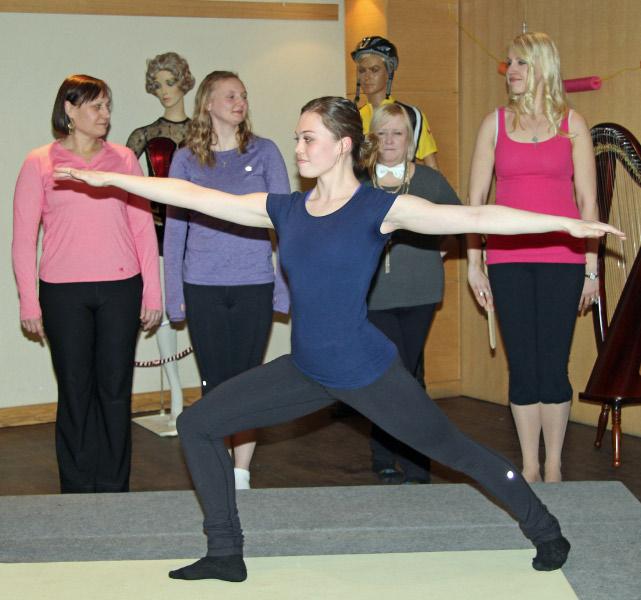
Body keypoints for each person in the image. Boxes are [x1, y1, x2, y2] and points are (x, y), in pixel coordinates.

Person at [56, 95, 624, 581]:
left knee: (455, 451)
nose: (298, 148)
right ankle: (225, 552)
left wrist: (569, 225)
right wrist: (109, 179)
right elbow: (196, 196)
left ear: (344, 145)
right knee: (199, 423)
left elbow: (477, 217)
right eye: (298, 138)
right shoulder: (286, 209)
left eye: (309, 138)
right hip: (306, 368)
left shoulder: (379, 209)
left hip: (367, 371)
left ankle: (545, 529)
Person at [13, 74, 161, 493]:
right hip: (63, 293)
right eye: (96, 106)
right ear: (70, 110)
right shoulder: (39, 162)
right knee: (75, 391)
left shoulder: (124, 160)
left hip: (120, 289)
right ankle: (76, 490)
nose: (106, 115)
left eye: (108, 106)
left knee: (115, 390)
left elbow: (142, 229)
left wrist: (152, 290)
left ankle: (115, 489)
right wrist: (29, 301)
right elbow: (23, 238)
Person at [466, 32, 599, 484]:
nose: (513, 72)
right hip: (507, 259)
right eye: (509, 64)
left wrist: (592, 270)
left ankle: (556, 465)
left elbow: (588, 202)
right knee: (521, 364)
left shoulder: (573, 124)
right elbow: (476, 202)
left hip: (564, 259)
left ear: (543, 66)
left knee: (553, 364)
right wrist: (472, 262)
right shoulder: (494, 124)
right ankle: (529, 464)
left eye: (521, 63)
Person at [163, 71, 290, 490]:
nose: (240, 101)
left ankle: (240, 472)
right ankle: (215, 465)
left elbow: (287, 225)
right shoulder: (185, 160)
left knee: (248, 380)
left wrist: (284, 286)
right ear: (209, 103)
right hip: (202, 285)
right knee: (214, 383)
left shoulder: (266, 152)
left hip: (254, 283)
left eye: (244, 94)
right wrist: (173, 295)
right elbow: (175, 232)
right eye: (231, 95)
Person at [365, 102, 461, 485]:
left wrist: (440, 247)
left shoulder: (429, 180)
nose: (389, 141)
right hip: (373, 295)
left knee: (409, 371)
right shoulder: (357, 180)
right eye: (382, 133)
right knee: (389, 372)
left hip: (420, 290)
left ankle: (412, 456)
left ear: (410, 141)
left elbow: (459, 217)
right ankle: (390, 453)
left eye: (397, 133)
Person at [127, 52, 196, 424]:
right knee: (166, 312)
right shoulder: (143, 135)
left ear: (185, 81)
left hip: (200, 230)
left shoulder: (204, 131)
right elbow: (124, 180)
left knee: (200, 304)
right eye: (158, 85)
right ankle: (175, 392)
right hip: (157, 231)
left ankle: (207, 389)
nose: (164, 91)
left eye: (170, 82)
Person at [352, 36, 439, 169]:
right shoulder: (353, 118)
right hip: (364, 189)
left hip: (402, 187)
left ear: (389, 72)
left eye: (375, 70)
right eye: (362, 71)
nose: (367, 77)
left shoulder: (411, 115)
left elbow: (433, 169)